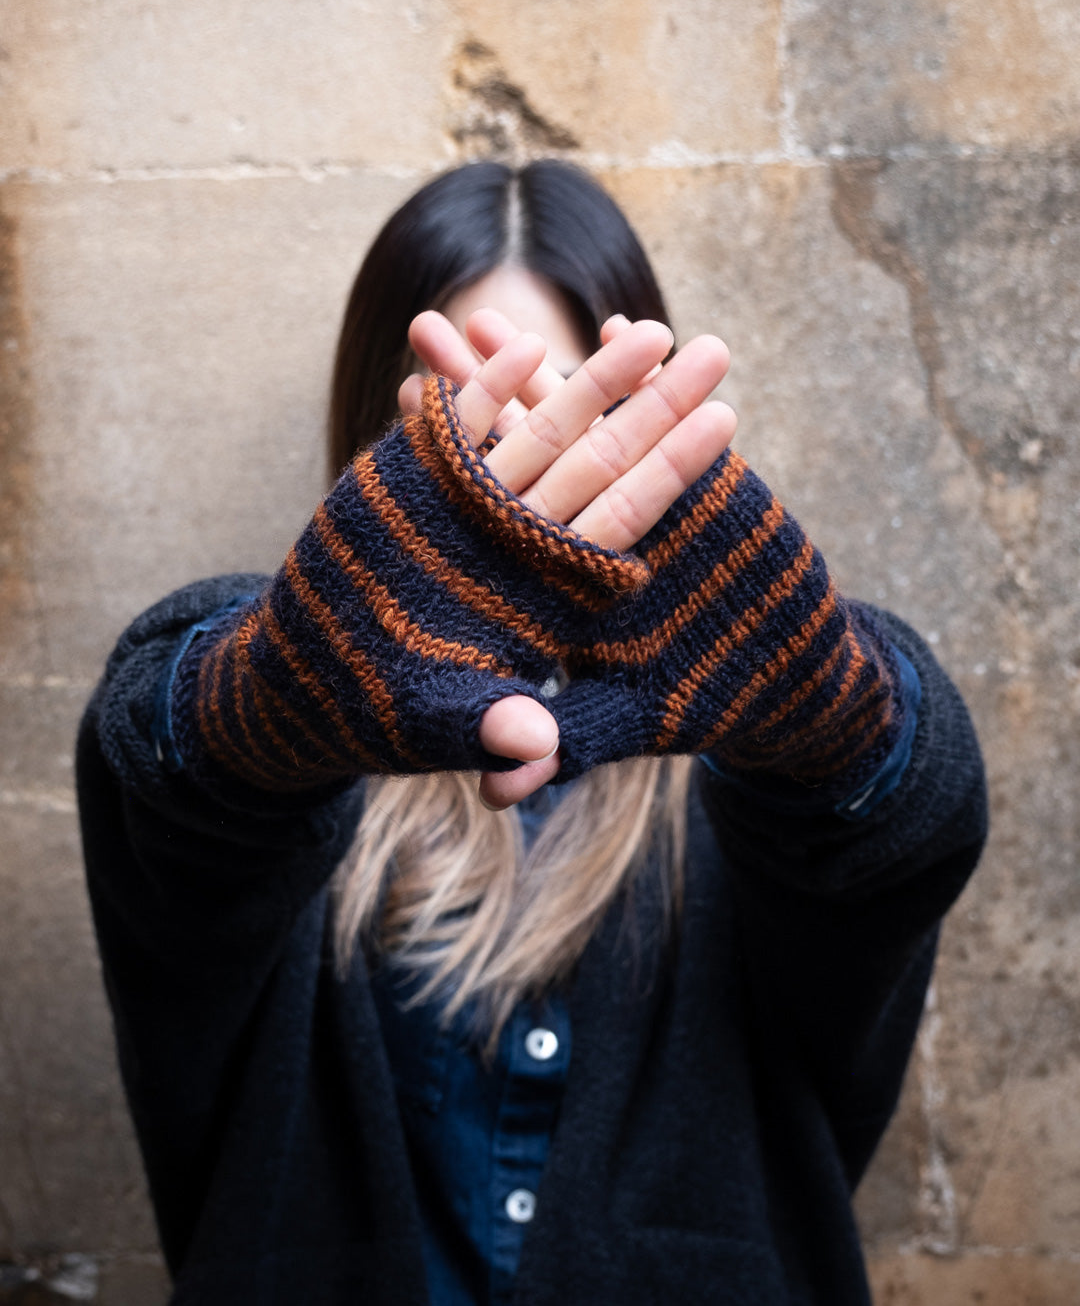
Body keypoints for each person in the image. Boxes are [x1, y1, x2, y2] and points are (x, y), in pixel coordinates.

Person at [77, 160, 988, 1306]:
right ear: (377, 444)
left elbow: (912, 825)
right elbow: (157, 759)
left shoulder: (743, 793)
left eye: (565, 412)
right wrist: (258, 698)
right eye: (466, 426)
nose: (521, 481)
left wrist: (848, 718)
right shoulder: (294, 767)